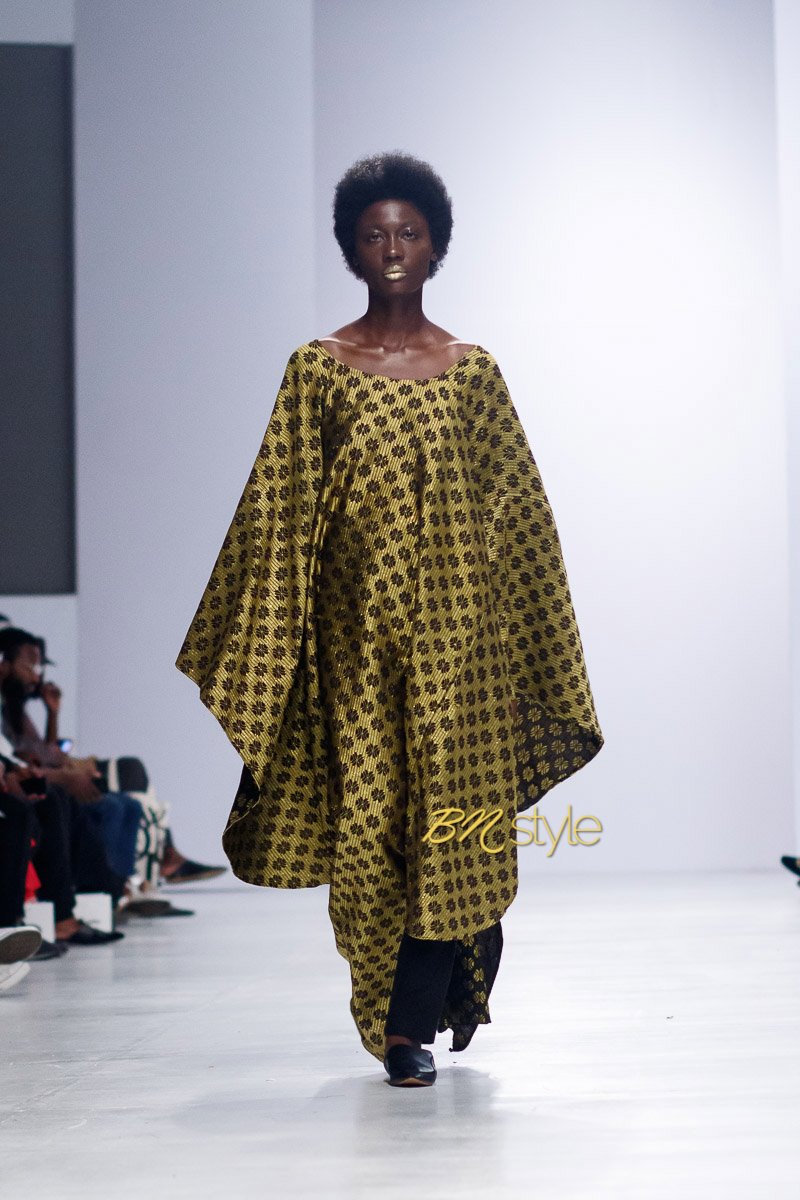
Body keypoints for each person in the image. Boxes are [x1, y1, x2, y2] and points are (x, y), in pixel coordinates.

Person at [176, 152, 604, 1086]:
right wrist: (268, 650)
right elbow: (277, 510)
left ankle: (413, 1024)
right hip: (355, 645)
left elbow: (519, 520)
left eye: (410, 231)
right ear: (351, 250)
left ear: (438, 245)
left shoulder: (474, 374)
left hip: (462, 648)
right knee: (371, 825)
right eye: (375, 234)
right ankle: (403, 1010)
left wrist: (525, 649)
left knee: (453, 824)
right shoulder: (317, 370)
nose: (394, 248)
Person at [0, 626, 226, 892]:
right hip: (34, 783)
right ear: (4, 663)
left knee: (128, 802)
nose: (37, 676)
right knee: (124, 784)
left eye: (39, 668)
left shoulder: (13, 709)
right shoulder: (8, 709)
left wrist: (53, 714)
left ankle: (132, 882)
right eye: (31, 666)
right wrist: (66, 775)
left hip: (46, 777)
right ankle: (125, 884)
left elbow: (46, 755)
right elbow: (37, 761)